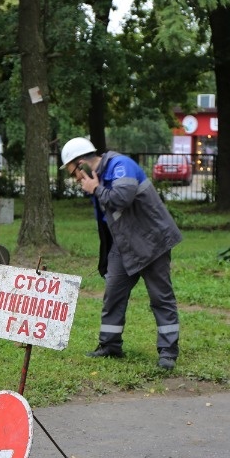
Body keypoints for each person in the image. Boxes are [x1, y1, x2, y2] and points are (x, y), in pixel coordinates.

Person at [60, 137, 182, 370]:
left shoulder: (120, 166)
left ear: (82, 162)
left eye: (73, 171)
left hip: (151, 242)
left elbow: (122, 199)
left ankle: (168, 352)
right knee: (113, 294)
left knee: (160, 298)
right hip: (124, 245)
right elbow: (107, 223)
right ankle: (110, 345)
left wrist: (96, 188)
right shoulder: (102, 177)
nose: (75, 178)